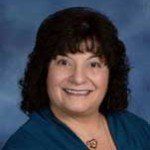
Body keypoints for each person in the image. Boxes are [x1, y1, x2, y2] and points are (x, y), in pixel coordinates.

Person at [2, 7, 150, 150]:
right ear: (44, 71)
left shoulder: (138, 130)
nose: (78, 78)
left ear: (110, 73)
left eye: (93, 64)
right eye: (64, 62)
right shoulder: (25, 145)